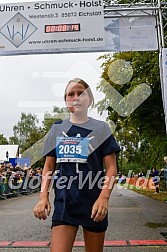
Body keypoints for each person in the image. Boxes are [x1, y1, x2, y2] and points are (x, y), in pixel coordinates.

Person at [33, 78, 120, 252]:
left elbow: (111, 167)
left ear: (90, 99)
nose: (76, 97)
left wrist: (104, 198)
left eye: (81, 93)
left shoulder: (101, 128)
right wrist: (43, 197)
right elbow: (49, 167)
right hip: (65, 203)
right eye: (71, 94)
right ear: (66, 101)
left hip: (94, 204)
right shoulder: (57, 129)